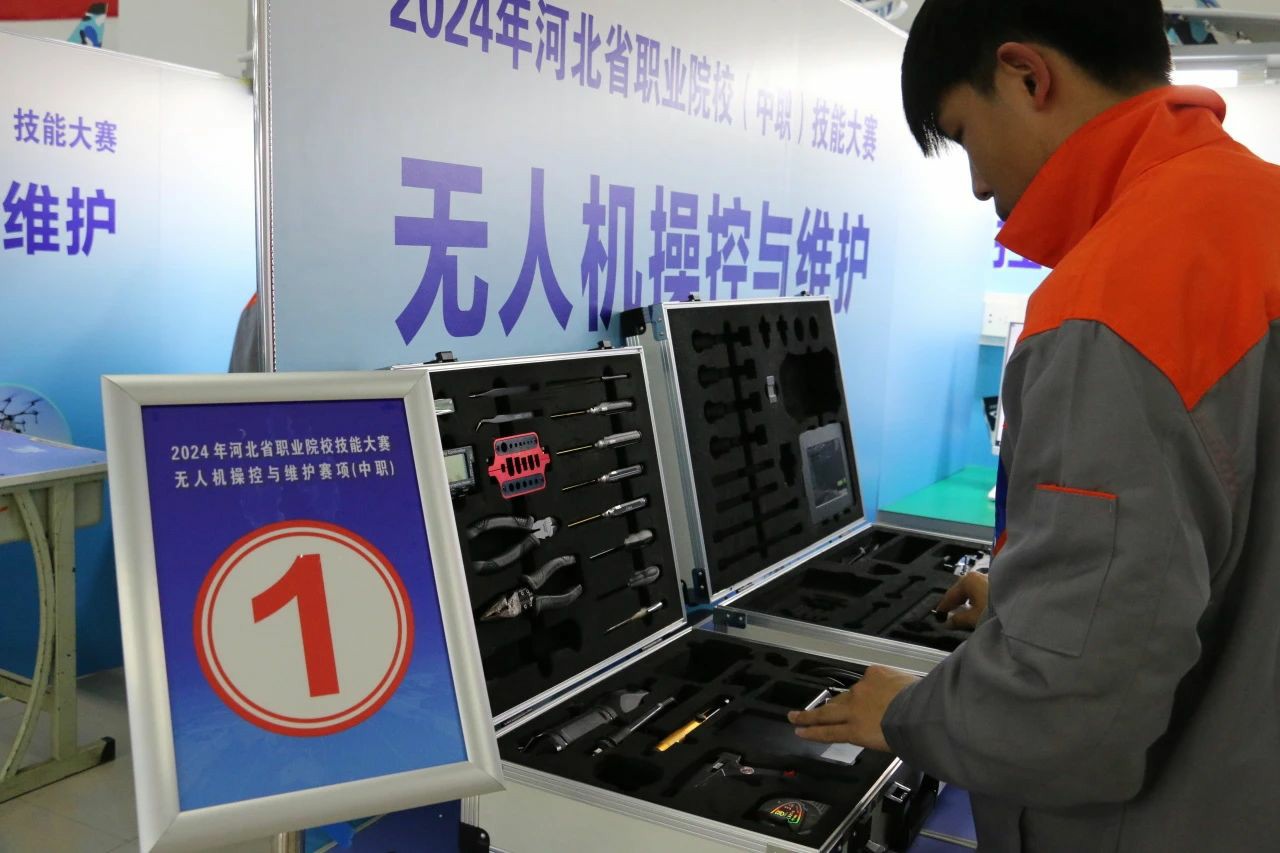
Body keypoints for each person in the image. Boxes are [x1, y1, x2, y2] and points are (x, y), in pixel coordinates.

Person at [788, 2, 1280, 851]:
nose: (979, 184)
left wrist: (906, 711)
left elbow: (1068, 711)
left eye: (964, 134)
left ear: (1026, 76)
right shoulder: (1257, 209)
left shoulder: (1111, 305)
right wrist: (1038, 601)